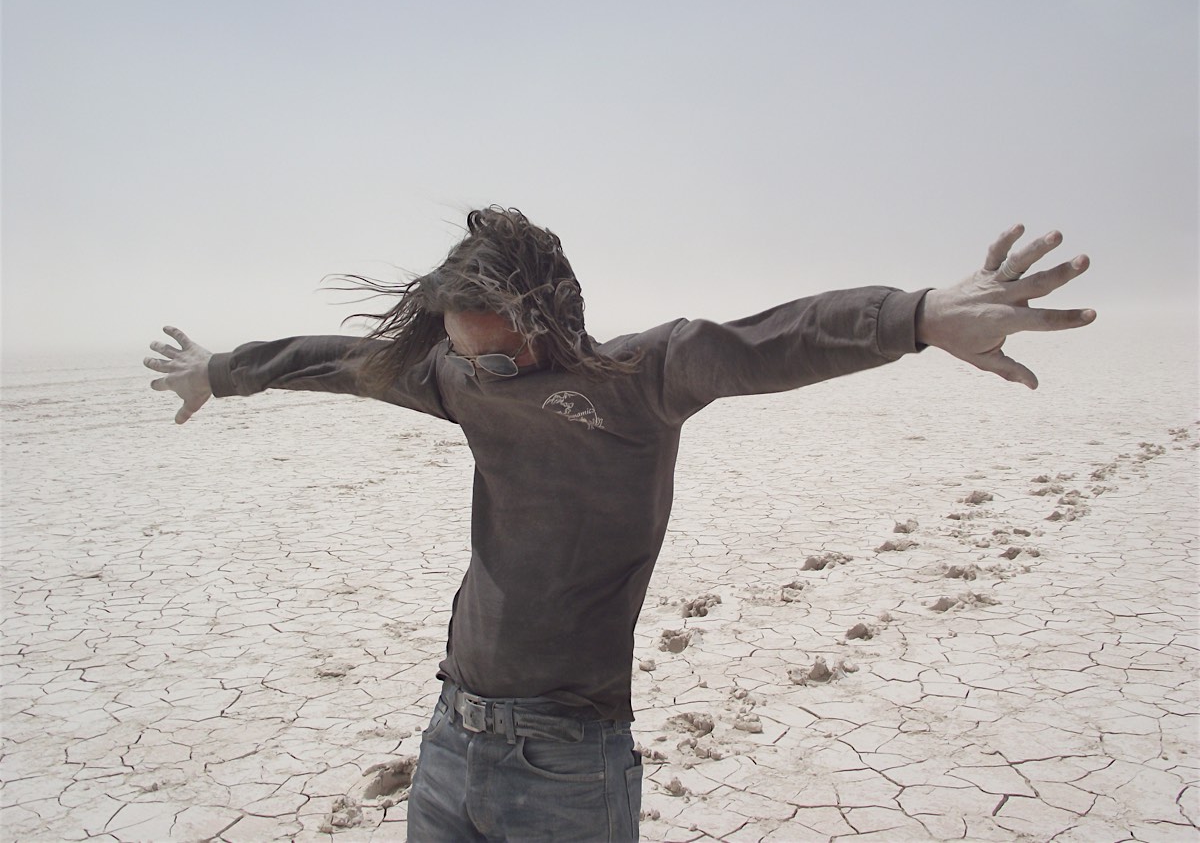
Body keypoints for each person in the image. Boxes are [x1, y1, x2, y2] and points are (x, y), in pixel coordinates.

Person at [145, 207, 1094, 842]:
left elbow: (777, 338)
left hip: (564, 760)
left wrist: (919, 315)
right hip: (448, 735)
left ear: (548, 317)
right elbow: (340, 361)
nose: (484, 376)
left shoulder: (641, 380)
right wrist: (224, 370)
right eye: (466, 357)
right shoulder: (457, 379)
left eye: (501, 359)